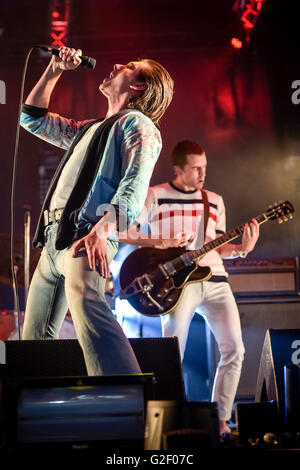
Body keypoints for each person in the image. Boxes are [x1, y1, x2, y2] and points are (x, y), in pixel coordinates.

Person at [20, 46, 174, 376]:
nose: (117, 63)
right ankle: (43, 417)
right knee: (34, 339)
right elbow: (31, 119)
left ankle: (128, 402)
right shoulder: (91, 129)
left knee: (89, 306)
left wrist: (103, 231)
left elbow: (134, 185)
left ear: (139, 86)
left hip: (84, 235)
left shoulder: (138, 125)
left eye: (130, 66)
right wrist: (55, 69)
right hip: (53, 240)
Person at [120, 140, 259, 435]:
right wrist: (159, 242)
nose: (202, 173)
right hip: (176, 283)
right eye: (196, 168)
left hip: (216, 280)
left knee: (235, 348)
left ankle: (221, 422)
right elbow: (124, 232)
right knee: (171, 353)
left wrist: (243, 249)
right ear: (178, 169)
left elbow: (218, 247)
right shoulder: (154, 196)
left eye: (204, 167)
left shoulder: (215, 200)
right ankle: (167, 424)